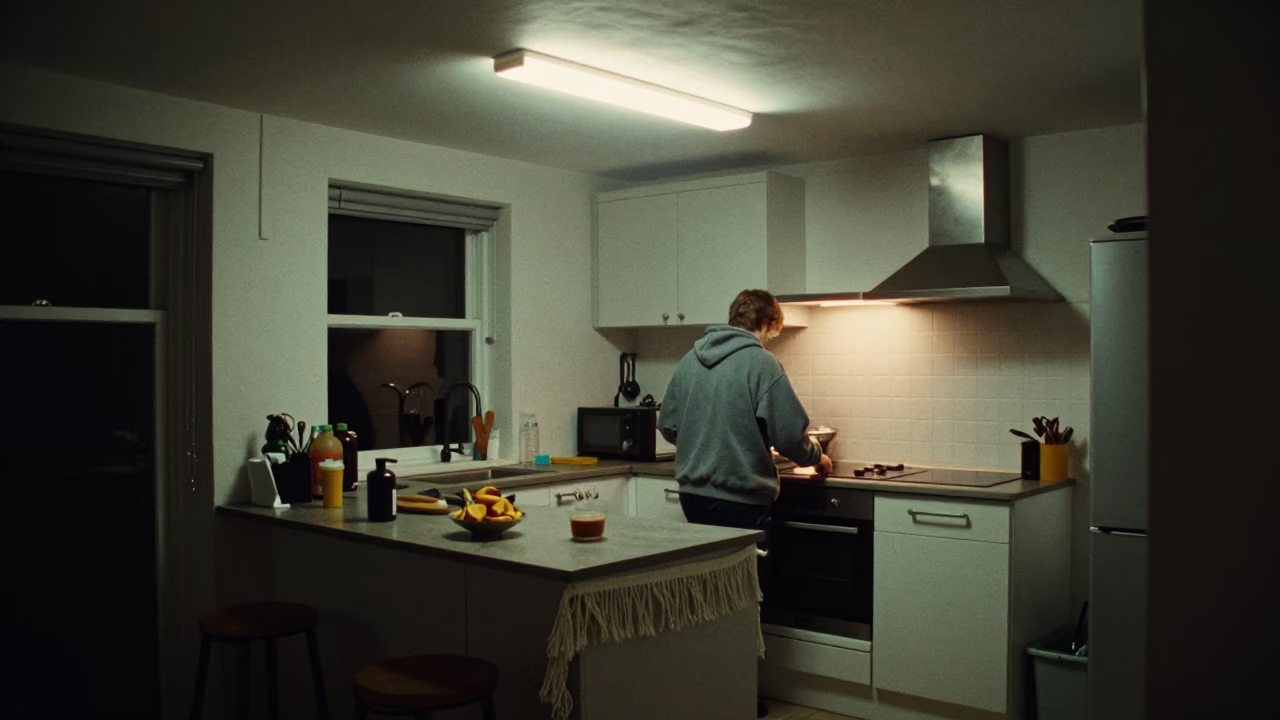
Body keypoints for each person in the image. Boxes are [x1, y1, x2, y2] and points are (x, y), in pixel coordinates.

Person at [659, 289, 832, 532]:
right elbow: (788, 436)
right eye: (771, 334)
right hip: (741, 501)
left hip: (692, 498)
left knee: (713, 558)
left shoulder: (689, 360)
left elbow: (668, 425)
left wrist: (706, 446)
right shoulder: (762, 363)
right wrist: (817, 457)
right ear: (766, 323)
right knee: (744, 559)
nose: (767, 341)